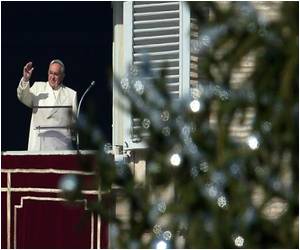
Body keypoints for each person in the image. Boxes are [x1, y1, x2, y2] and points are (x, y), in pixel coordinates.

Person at [17, 59, 77, 151]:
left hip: (61, 148)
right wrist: (25, 79)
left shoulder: (71, 94)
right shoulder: (38, 87)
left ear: (63, 76)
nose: (52, 77)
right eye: (50, 73)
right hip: (39, 146)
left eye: (56, 74)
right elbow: (23, 97)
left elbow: (74, 125)